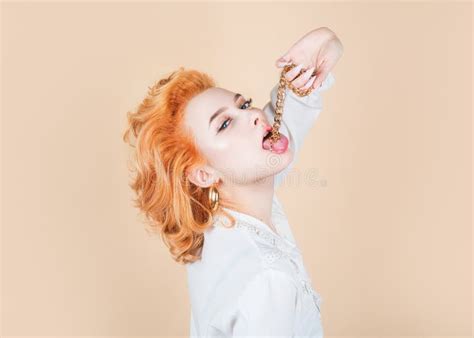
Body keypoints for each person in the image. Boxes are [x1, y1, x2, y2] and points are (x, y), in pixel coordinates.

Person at [122, 27, 343, 337]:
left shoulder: (221, 217)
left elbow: (289, 110)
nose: (254, 115)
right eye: (224, 124)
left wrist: (325, 43)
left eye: (243, 104)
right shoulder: (268, 280)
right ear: (203, 173)